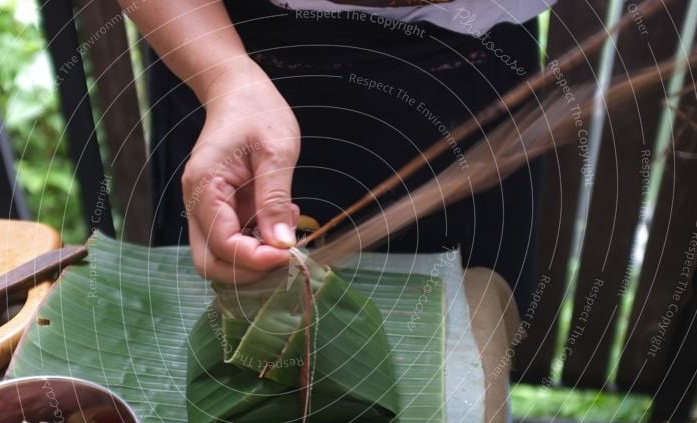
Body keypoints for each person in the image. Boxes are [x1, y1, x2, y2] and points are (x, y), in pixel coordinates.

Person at [121, 0, 552, 312]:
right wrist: (225, 80)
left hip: (471, 73)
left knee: (461, 362)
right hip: (226, 48)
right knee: (224, 299)